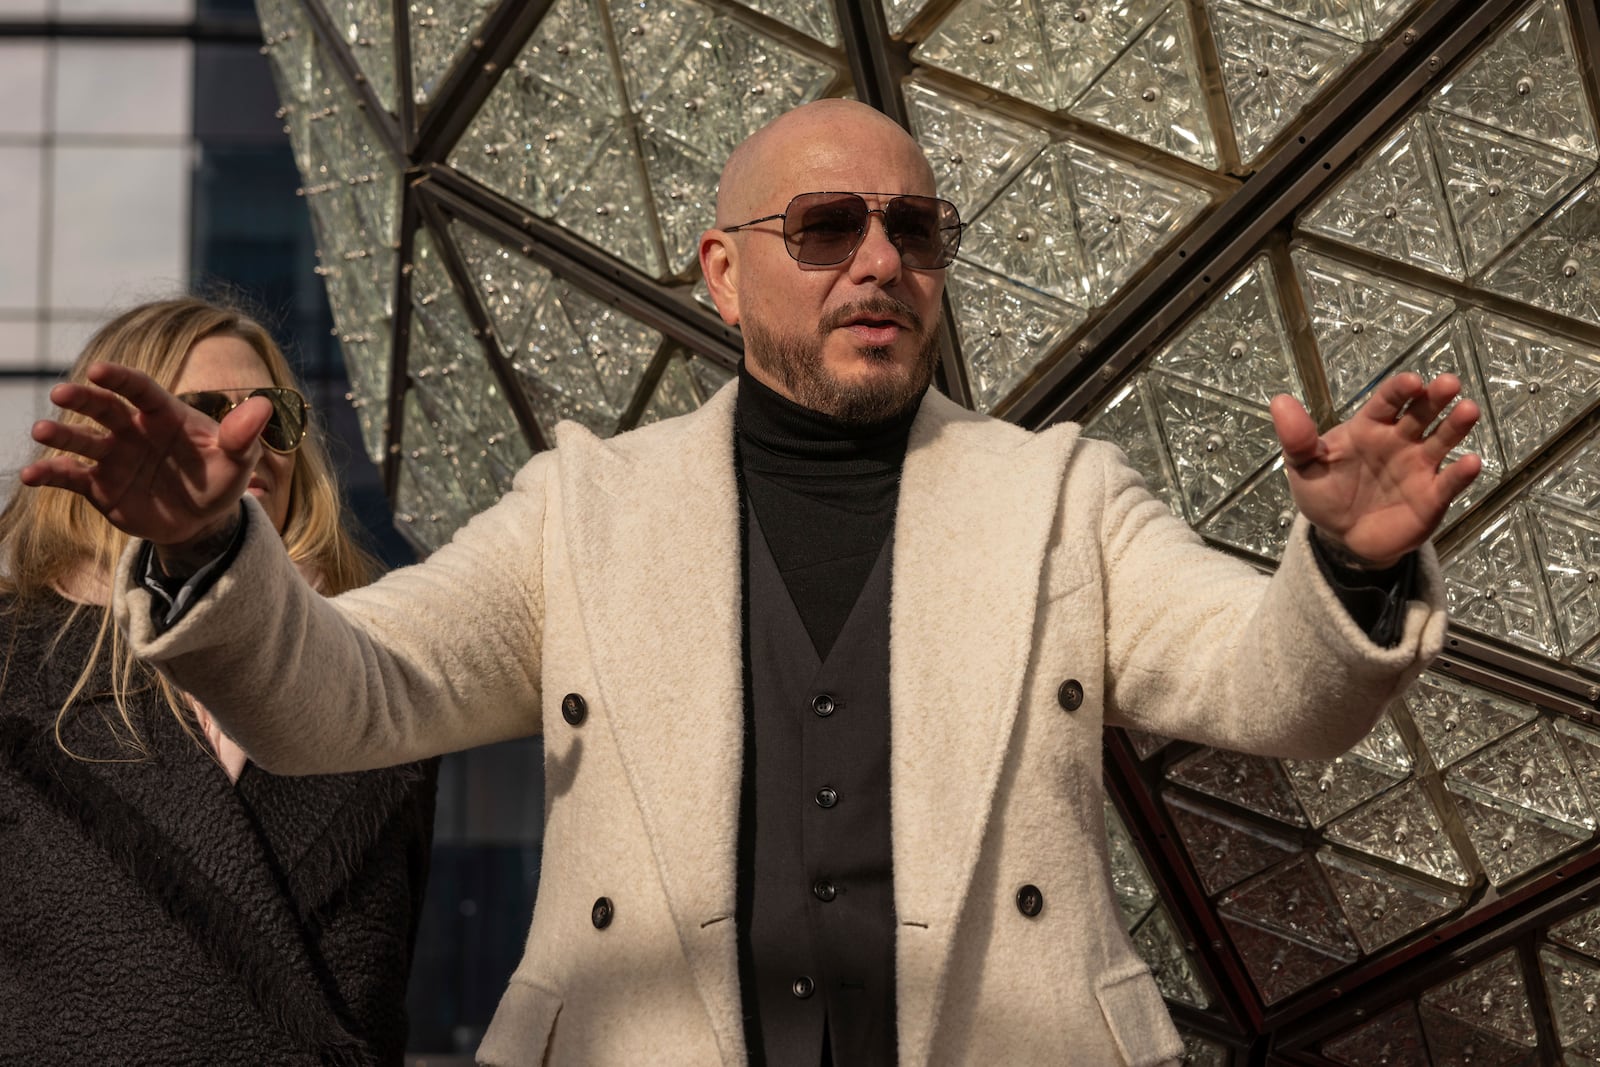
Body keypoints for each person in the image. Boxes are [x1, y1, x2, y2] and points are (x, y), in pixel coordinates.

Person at [22, 102, 1480, 1067]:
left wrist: (1345, 568)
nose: (880, 262)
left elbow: (1263, 682)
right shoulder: (585, 506)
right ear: (723, 270)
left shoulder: (1059, 497)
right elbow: (349, 694)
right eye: (827, 227)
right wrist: (215, 553)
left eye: (915, 229)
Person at [1, 297, 437, 1066]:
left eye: (277, 418)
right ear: (117, 437)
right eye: (204, 410)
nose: (250, 441)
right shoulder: (14, 665)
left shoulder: (380, 668)